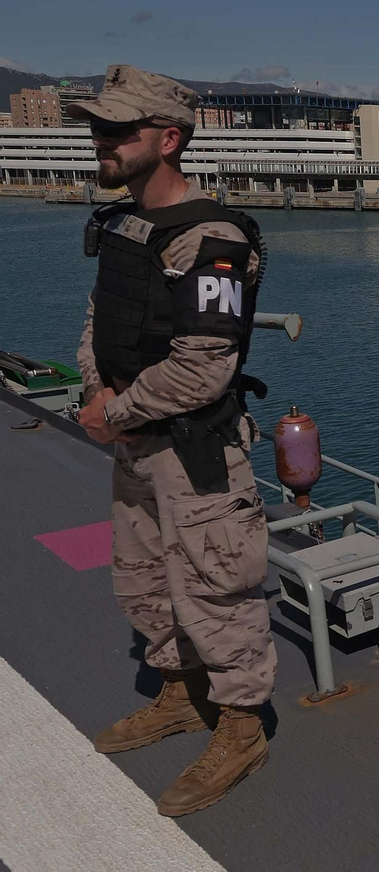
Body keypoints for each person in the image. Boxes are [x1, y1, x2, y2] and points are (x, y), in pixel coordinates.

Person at [71, 64, 276, 818]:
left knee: (218, 588)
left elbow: (202, 369)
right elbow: (99, 319)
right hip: (134, 442)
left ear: (168, 138)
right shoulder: (124, 223)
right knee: (146, 580)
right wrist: (98, 394)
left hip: (194, 451)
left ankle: (243, 725)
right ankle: (182, 695)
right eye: (98, 128)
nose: (102, 141)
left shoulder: (213, 238)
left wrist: (112, 413)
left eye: (118, 130)